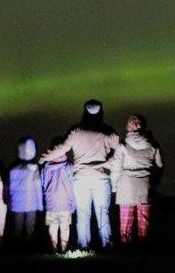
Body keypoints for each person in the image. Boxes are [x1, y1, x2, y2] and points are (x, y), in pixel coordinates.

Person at [39, 99, 119, 253]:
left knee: (83, 215)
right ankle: (106, 245)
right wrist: (109, 163)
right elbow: (120, 152)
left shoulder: (76, 131)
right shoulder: (109, 131)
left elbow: (62, 148)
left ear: (84, 112)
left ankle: (84, 246)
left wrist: (44, 158)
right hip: (101, 178)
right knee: (103, 214)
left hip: (80, 178)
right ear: (101, 112)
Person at [110, 113, 164, 247]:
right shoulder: (154, 145)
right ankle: (143, 246)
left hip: (125, 184)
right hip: (145, 185)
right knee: (144, 221)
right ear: (143, 127)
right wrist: (154, 182)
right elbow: (160, 165)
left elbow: (116, 168)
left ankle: (126, 248)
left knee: (126, 221)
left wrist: (114, 186)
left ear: (128, 127)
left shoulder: (122, 145)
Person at [7, 136, 44, 252]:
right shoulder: (34, 168)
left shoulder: (12, 168)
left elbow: (9, 187)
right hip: (31, 201)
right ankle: (28, 246)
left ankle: (15, 246)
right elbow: (38, 186)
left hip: (17, 202)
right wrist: (40, 204)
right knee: (30, 225)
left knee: (17, 225)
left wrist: (10, 202)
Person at [40, 135, 75, 254]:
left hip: (51, 202)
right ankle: (64, 250)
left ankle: (54, 249)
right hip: (66, 202)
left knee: (53, 226)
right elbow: (73, 185)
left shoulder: (46, 167)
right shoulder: (69, 166)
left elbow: (43, 184)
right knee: (65, 227)